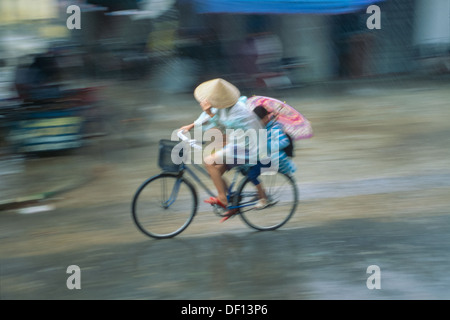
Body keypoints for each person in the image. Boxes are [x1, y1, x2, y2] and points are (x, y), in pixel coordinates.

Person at [180, 78, 262, 221]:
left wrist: (211, 114)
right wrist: (190, 126)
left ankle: (223, 199)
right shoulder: (223, 106)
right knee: (216, 169)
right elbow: (207, 116)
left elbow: (226, 125)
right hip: (237, 144)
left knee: (209, 162)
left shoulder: (238, 111)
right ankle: (232, 202)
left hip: (248, 147)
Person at [247, 105, 297, 209]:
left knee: (252, 174)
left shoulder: (275, 128)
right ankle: (259, 192)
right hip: (267, 157)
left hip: (275, 159)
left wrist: (268, 145)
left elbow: (284, 142)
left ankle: (263, 198)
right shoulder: (264, 127)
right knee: (246, 167)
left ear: (265, 118)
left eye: (258, 121)